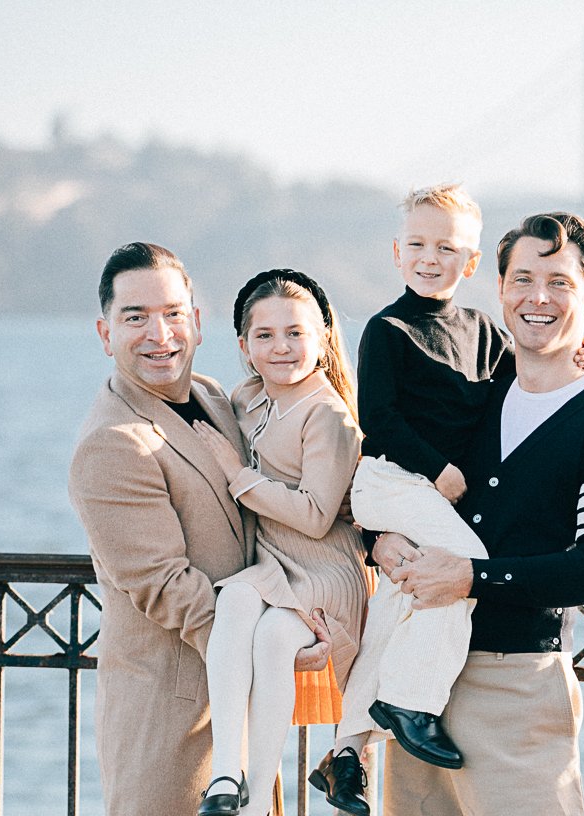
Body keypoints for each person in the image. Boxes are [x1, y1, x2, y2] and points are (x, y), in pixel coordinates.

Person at [308, 185, 584, 816]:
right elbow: (377, 419)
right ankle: (412, 701)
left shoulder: (485, 332)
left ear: (470, 265)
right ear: (396, 252)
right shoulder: (386, 330)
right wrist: (437, 470)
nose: (428, 256)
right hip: (396, 481)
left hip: (433, 498)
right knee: (460, 568)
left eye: (446, 247)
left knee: (403, 602)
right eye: (416, 244)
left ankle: (346, 749)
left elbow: (519, 387)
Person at [372, 212, 584, 815]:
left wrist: (471, 576)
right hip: (419, 681)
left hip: (518, 687)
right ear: (499, 290)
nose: (538, 298)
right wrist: (377, 537)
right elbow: (392, 472)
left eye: (560, 282)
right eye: (522, 279)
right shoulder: (474, 397)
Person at [70, 243, 313, 816]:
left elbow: (314, 425)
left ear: (197, 323)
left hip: (242, 719)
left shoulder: (214, 397)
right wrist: (275, 645)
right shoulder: (113, 443)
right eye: (136, 318)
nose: (160, 334)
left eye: (173, 313)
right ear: (105, 334)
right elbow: (168, 588)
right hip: (171, 725)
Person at [191, 269, 371, 816]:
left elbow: (318, 516)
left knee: (272, 639)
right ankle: (226, 774)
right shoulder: (247, 398)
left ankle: (255, 800)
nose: (281, 347)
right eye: (264, 336)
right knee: (235, 601)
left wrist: (235, 473)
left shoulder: (327, 415)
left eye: (296, 333)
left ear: (322, 340)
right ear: (245, 347)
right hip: (273, 563)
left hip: (325, 569)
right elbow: (200, 397)